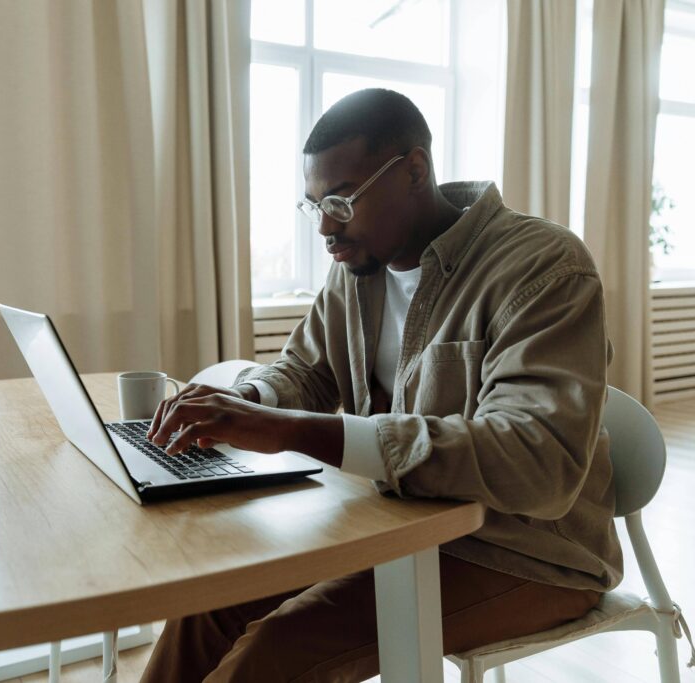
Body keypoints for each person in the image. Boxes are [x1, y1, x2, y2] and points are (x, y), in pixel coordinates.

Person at [139, 88, 623, 682]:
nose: (324, 228)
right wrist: (248, 402)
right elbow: (302, 372)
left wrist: (289, 430)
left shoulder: (542, 266)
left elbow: (537, 464)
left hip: (524, 553)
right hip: (397, 528)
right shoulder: (357, 268)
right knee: (204, 612)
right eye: (313, 205)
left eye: (341, 202)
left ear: (414, 170)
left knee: (273, 656)